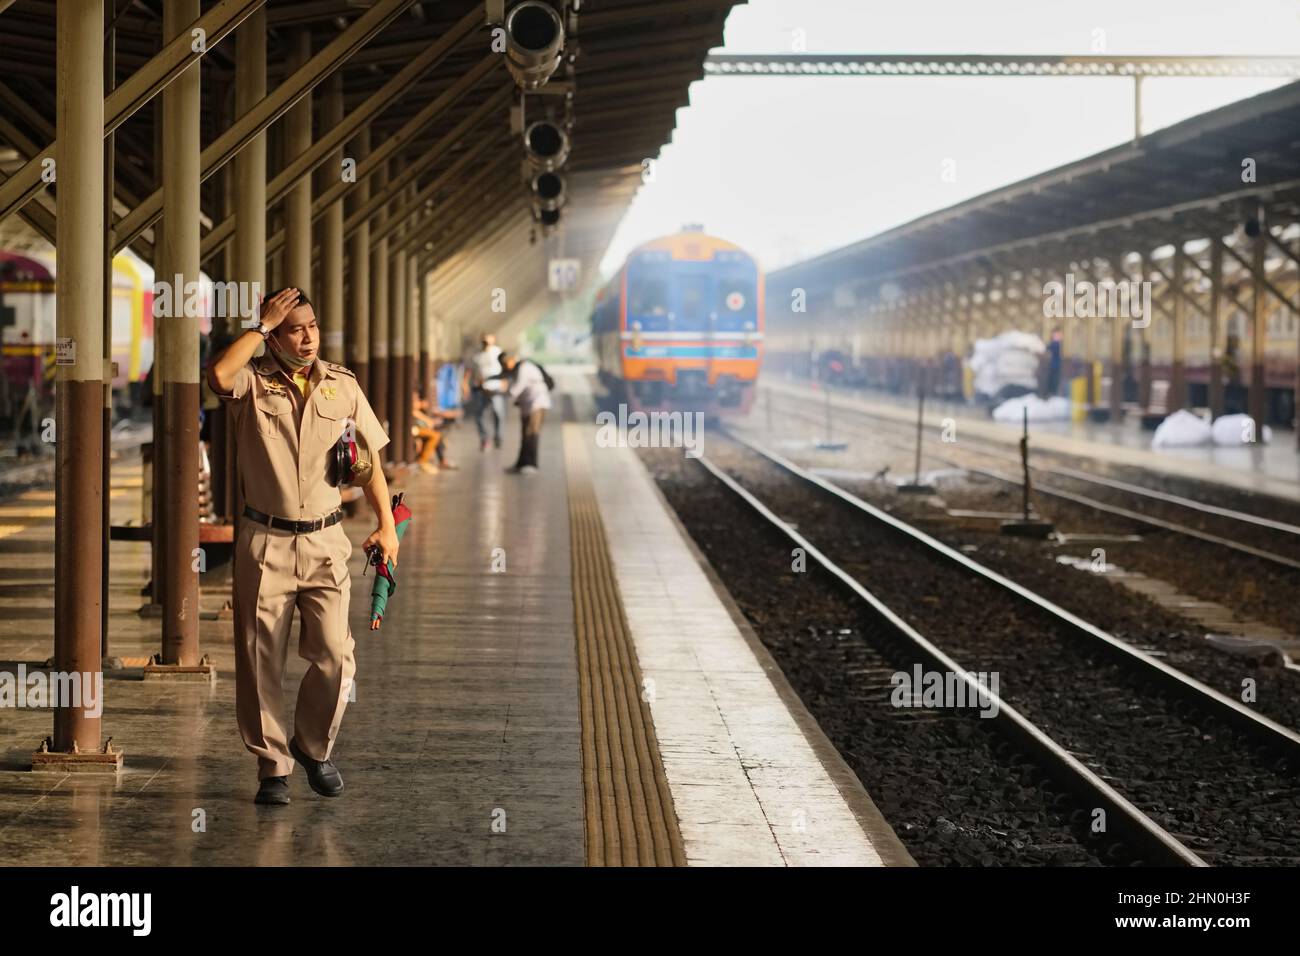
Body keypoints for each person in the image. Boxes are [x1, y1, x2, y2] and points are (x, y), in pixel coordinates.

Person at [206, 287, 398, 807]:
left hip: (326, 540)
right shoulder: (252, 382)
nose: (307, 336)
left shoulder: (342, 388)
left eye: (311, 325)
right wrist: (260, 327)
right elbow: (219, 376)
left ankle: (312, 746)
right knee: (259, 658)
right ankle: (273, 766)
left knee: (336, 656)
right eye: (294, 328)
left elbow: (368, 463)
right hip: (264, 540)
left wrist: (387, 523)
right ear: (274, 334)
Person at [496, 352, 552, 474]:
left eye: (505, 364)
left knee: (532, 433)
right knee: (525, 435)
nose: (505, 367)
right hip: (527, 405)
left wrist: (497, 392)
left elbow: (516, 388)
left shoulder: (524, 368)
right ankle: (521, 463)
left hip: (537, 404)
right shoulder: (518, 368)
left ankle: (531, 464)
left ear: (511, 360)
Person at [464, 332, 505, 452]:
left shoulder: (498, 352)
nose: (485, 343)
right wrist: (465, 383)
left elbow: (505, 366)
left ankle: (498, 437)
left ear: (493, 340)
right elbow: (470, 369)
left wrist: (504, 381)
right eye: (484, 340)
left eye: (488, 340)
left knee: (498, 413)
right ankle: (484, 439)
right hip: (481, 388)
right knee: (479, 415)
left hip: (495, 387)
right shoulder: (477, 355)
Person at [411, 389, 459, 475]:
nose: (418, 401)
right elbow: (414, 410)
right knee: (435, 435)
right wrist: (421, 405)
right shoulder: (414, 407)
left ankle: (441, 460)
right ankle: (423, 461)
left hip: (418, 427)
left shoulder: (421, 407)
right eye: (415, 399)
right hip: (413, 428)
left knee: (437, 434)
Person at [1044, 327, 1063, 397]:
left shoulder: (1057, 344)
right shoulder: (1055, 344)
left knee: (1054, 380)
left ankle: (1052, 393)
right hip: (1053, 365)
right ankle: (1051, 393)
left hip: (1056, 365)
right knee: (1053, 380)